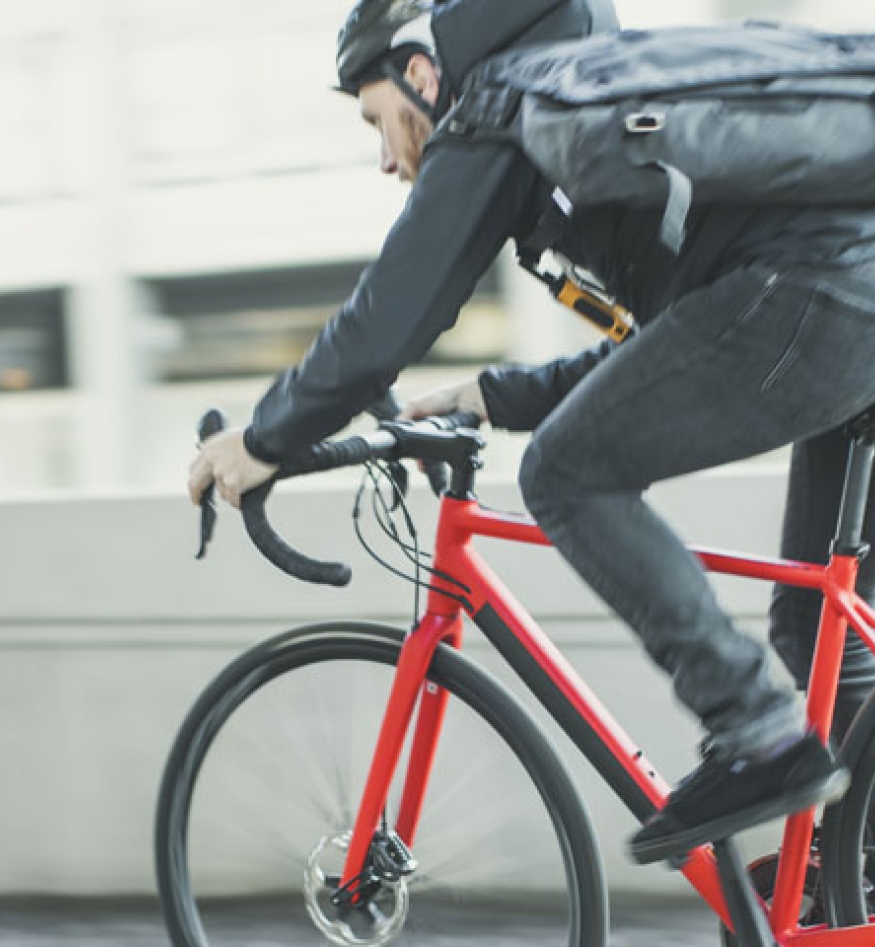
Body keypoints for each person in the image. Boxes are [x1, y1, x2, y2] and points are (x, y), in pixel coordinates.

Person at [188, 0, 875, 865]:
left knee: (565, 473)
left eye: (376, 118)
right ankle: (861, 864)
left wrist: (263, 442)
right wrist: (491, 394)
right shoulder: (591, 105)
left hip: (811, 297)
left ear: (421, 75)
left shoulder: (500, 108)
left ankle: (758, 733)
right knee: (815, 625)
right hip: (846, 302)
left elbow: (385, 319)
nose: (382, 156)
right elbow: (678, 351)